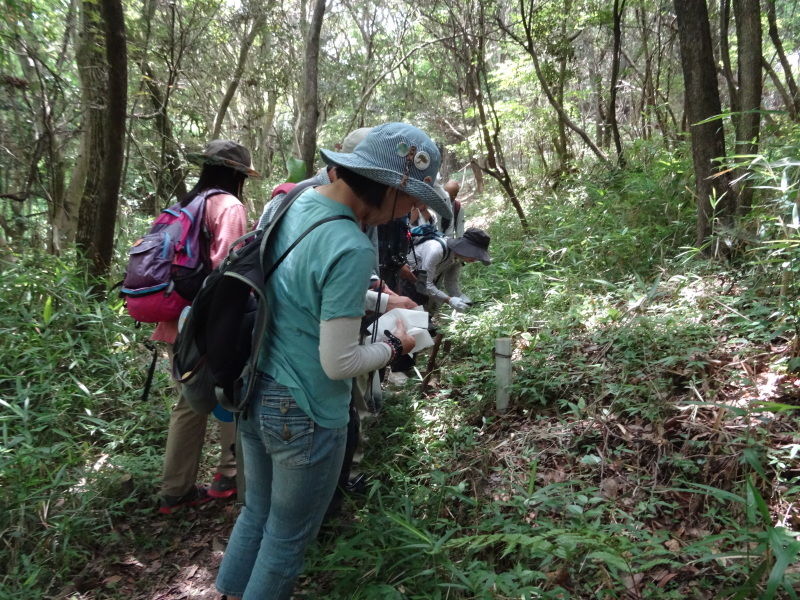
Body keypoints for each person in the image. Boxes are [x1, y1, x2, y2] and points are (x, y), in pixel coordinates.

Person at [215, 123, 451, 600]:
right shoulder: (350, 244)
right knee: (286, 538)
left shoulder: (299, 203)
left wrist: (385, 305)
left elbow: (303, 289)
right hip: (306, 410)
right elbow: (339, 362)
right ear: (389, 187)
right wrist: (396, 347)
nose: (410, 212)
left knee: (256, 515)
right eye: (409, 200)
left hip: (258, 387)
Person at [153, 140, 258, 514]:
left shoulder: (185, 205)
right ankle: (226, 475)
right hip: (208, 325)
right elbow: (228, 274)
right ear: (235, 174)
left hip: (174, 320)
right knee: (228, 391)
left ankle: (176, 489)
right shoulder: (228, 206)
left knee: (188, 402)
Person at [404, 227, 491, 311]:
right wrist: (449, 300)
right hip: (404, 279)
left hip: (416, 285)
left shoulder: (458, 259)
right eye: (475, 253)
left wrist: (460, 297)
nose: (476, 259)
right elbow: (426, 284)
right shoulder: (436, 250)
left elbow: (450, 283)